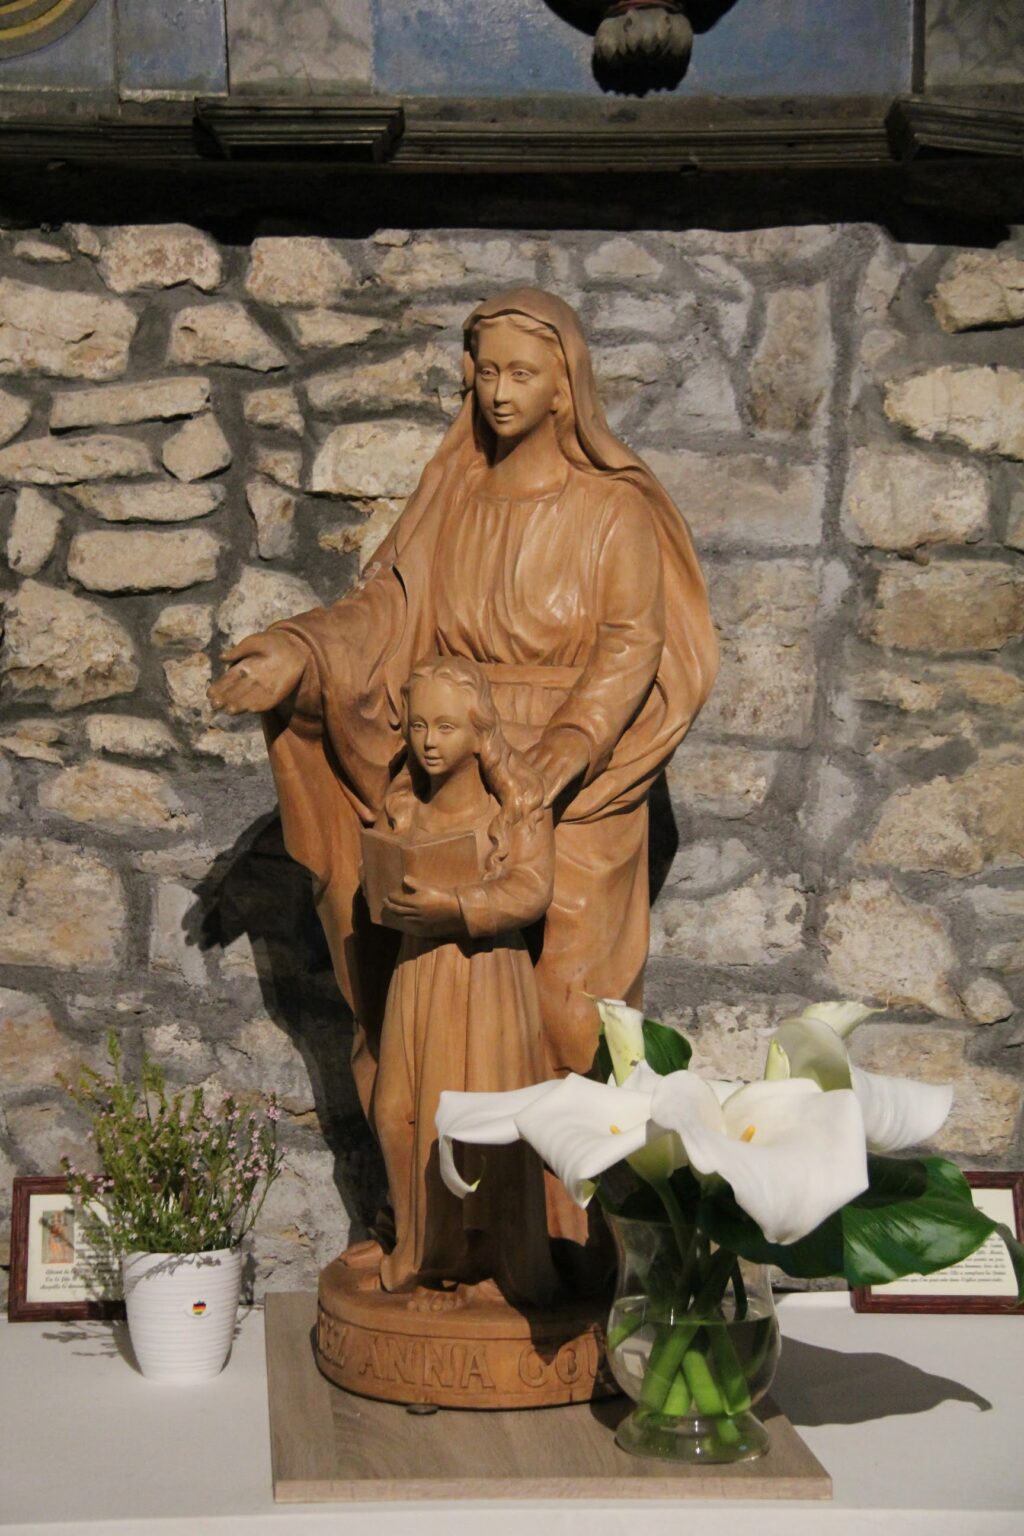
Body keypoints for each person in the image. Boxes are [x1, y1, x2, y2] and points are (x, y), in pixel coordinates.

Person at [208, 287, 718, 1249]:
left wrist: (557, 756)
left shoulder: (613, 509)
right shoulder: (452, 502)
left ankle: (563, 1247)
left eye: (523, 372)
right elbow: (383, 613)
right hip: (450, 778)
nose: (500, 391)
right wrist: (299, 652)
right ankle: (441, 1238)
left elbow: (631, 645)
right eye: (486, 372)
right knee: (421, 1008)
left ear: (565, 386)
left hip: (580, 780)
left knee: (569, 1019)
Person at [370, 654, 558, 1304]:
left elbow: (532, 889)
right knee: (397, 1111)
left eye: (446, 727)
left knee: (487, 1120)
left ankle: (503, 1253)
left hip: (487, 977)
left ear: (480, 733)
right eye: (419, 725)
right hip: (418, 971)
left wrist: (456, 907)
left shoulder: (516, 809)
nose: (428, 742)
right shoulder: (405, 809)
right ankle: (422, 1246)